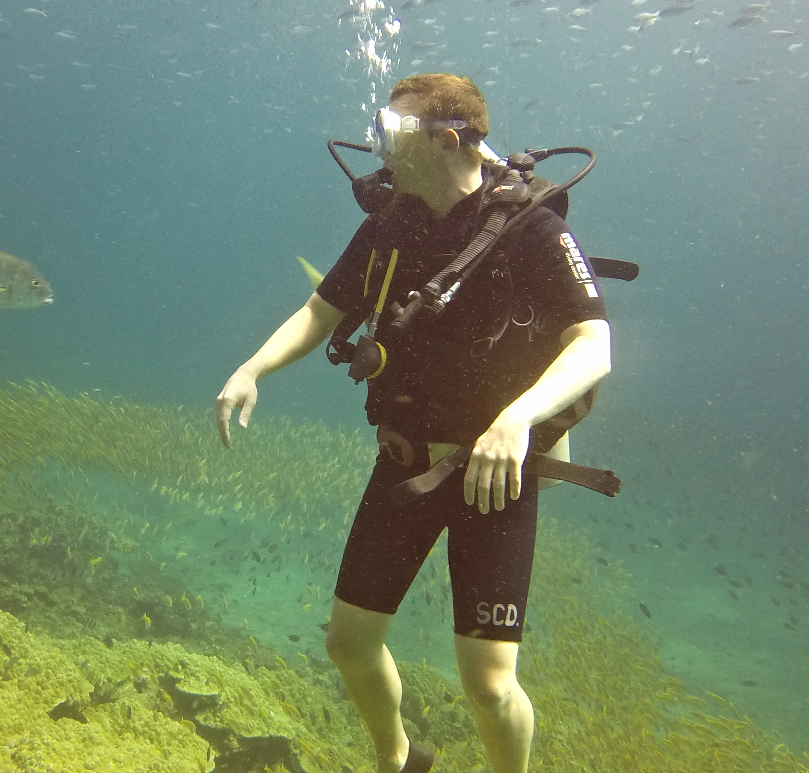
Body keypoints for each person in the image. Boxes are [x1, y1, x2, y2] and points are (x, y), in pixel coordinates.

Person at [214, 73, 612, 773]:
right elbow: (322, 310)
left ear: (447, 140)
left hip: (495, 471)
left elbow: (594, 343)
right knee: (348, 642)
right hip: (405, 462)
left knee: (489, 686)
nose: (379, 148)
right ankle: (398, 759)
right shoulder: (388, 225)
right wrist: (252, 368)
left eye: (394, 135)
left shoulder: (532, 227)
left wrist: (515, 421)